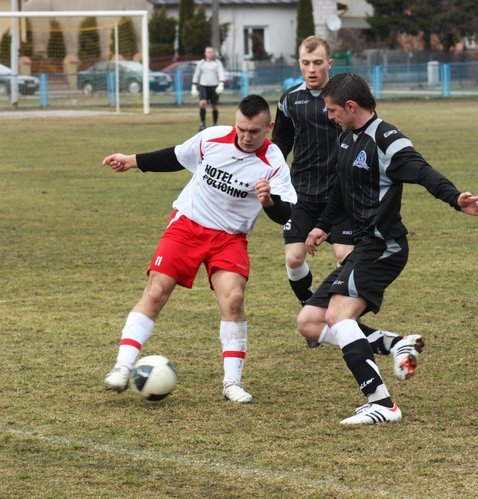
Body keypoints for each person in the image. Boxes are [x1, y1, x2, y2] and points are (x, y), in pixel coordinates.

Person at [297, 72, 478, 424]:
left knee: (337, 316)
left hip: (385, 246)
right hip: (364, 245)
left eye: (333, 110)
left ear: (351, 106)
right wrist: (322, 225)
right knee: (310, 321)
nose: (330, 116)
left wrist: (455, 198)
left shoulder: (386, 139)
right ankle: (396, 343)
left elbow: (424, 172)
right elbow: (340, 190)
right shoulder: (348, 139)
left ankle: (381, 403)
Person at [102, 94, 297, 404]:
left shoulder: (273, 162)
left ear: (268, 127)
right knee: (156, 291)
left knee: (233, 300)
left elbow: (286, 214)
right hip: (188, 225)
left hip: (229, 238)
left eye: (254, 132)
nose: (246, 137)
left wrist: (269, 202)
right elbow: (175, 157)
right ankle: (122, 367)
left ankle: (232, 382)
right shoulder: (213, 138)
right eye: (241, 129)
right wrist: (133, 160)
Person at [272, 35, 418, 373]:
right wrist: (269, 169)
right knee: (294, 258)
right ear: (299, 63)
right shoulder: (289, 100)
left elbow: (369, 133)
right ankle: (316, 312)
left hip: (344, 195)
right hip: (304, 194)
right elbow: (281, 141)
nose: (311, 69)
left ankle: (340, 318)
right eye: (305, 63)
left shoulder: (345, 98)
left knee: (345, 258)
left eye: (317, 62)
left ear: (329, 63)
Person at [191, 46, 225, 131]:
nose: (209, 53)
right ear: (205, 53)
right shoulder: (201, 63)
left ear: (213, 53)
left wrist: (221, 83)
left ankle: (215, 123)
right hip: (203, 86)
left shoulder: (217, 63)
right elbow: (197, 74)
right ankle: (202, 123)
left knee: (214, 106)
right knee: (202, 103)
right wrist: (194, 85)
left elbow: (221, 73)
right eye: (208, 52)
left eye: (211, 52)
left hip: (214, 86)